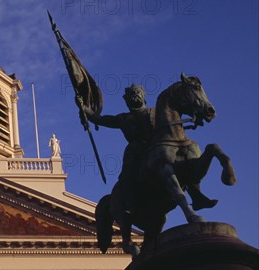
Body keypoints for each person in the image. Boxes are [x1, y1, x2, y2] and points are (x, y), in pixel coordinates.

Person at [79, 84, 215, 211]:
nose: (134, 95)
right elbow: (100, 120)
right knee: (128, 172)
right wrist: (84, 108)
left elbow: (178, 113)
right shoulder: (122, 118)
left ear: (143, 96)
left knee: (184, 160)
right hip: (136, 150)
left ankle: (196, 196)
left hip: (159, 145)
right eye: (131, 94)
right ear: (126, 100)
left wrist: (196, 116)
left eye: (137, 92)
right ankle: (129, 199)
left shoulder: (156, 112)